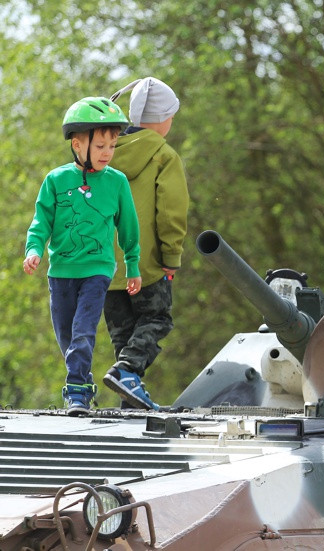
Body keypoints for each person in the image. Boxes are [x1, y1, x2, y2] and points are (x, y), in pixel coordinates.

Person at [23, 97, 141, 416]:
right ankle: (83, 382)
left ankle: (75, 389)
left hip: (97, 269)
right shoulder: (56, 181)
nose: (107, 153)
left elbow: (129, 228)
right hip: (60, 270)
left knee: (82, 330)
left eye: (112, 146)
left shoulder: (116, 183)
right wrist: (33, 250)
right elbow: (40, 222)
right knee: (65, 333)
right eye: (100, 145)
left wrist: (132, 265)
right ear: (78, 144)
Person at [101, 77, 189, 411]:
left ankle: (130, 397)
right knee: (156, 320)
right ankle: (127, 372)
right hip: (147, 265)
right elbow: (170, 212)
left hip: (105, 266)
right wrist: (172, 257)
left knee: (124, 335)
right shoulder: (164, 156)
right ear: (161, 119)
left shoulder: (101, 152)